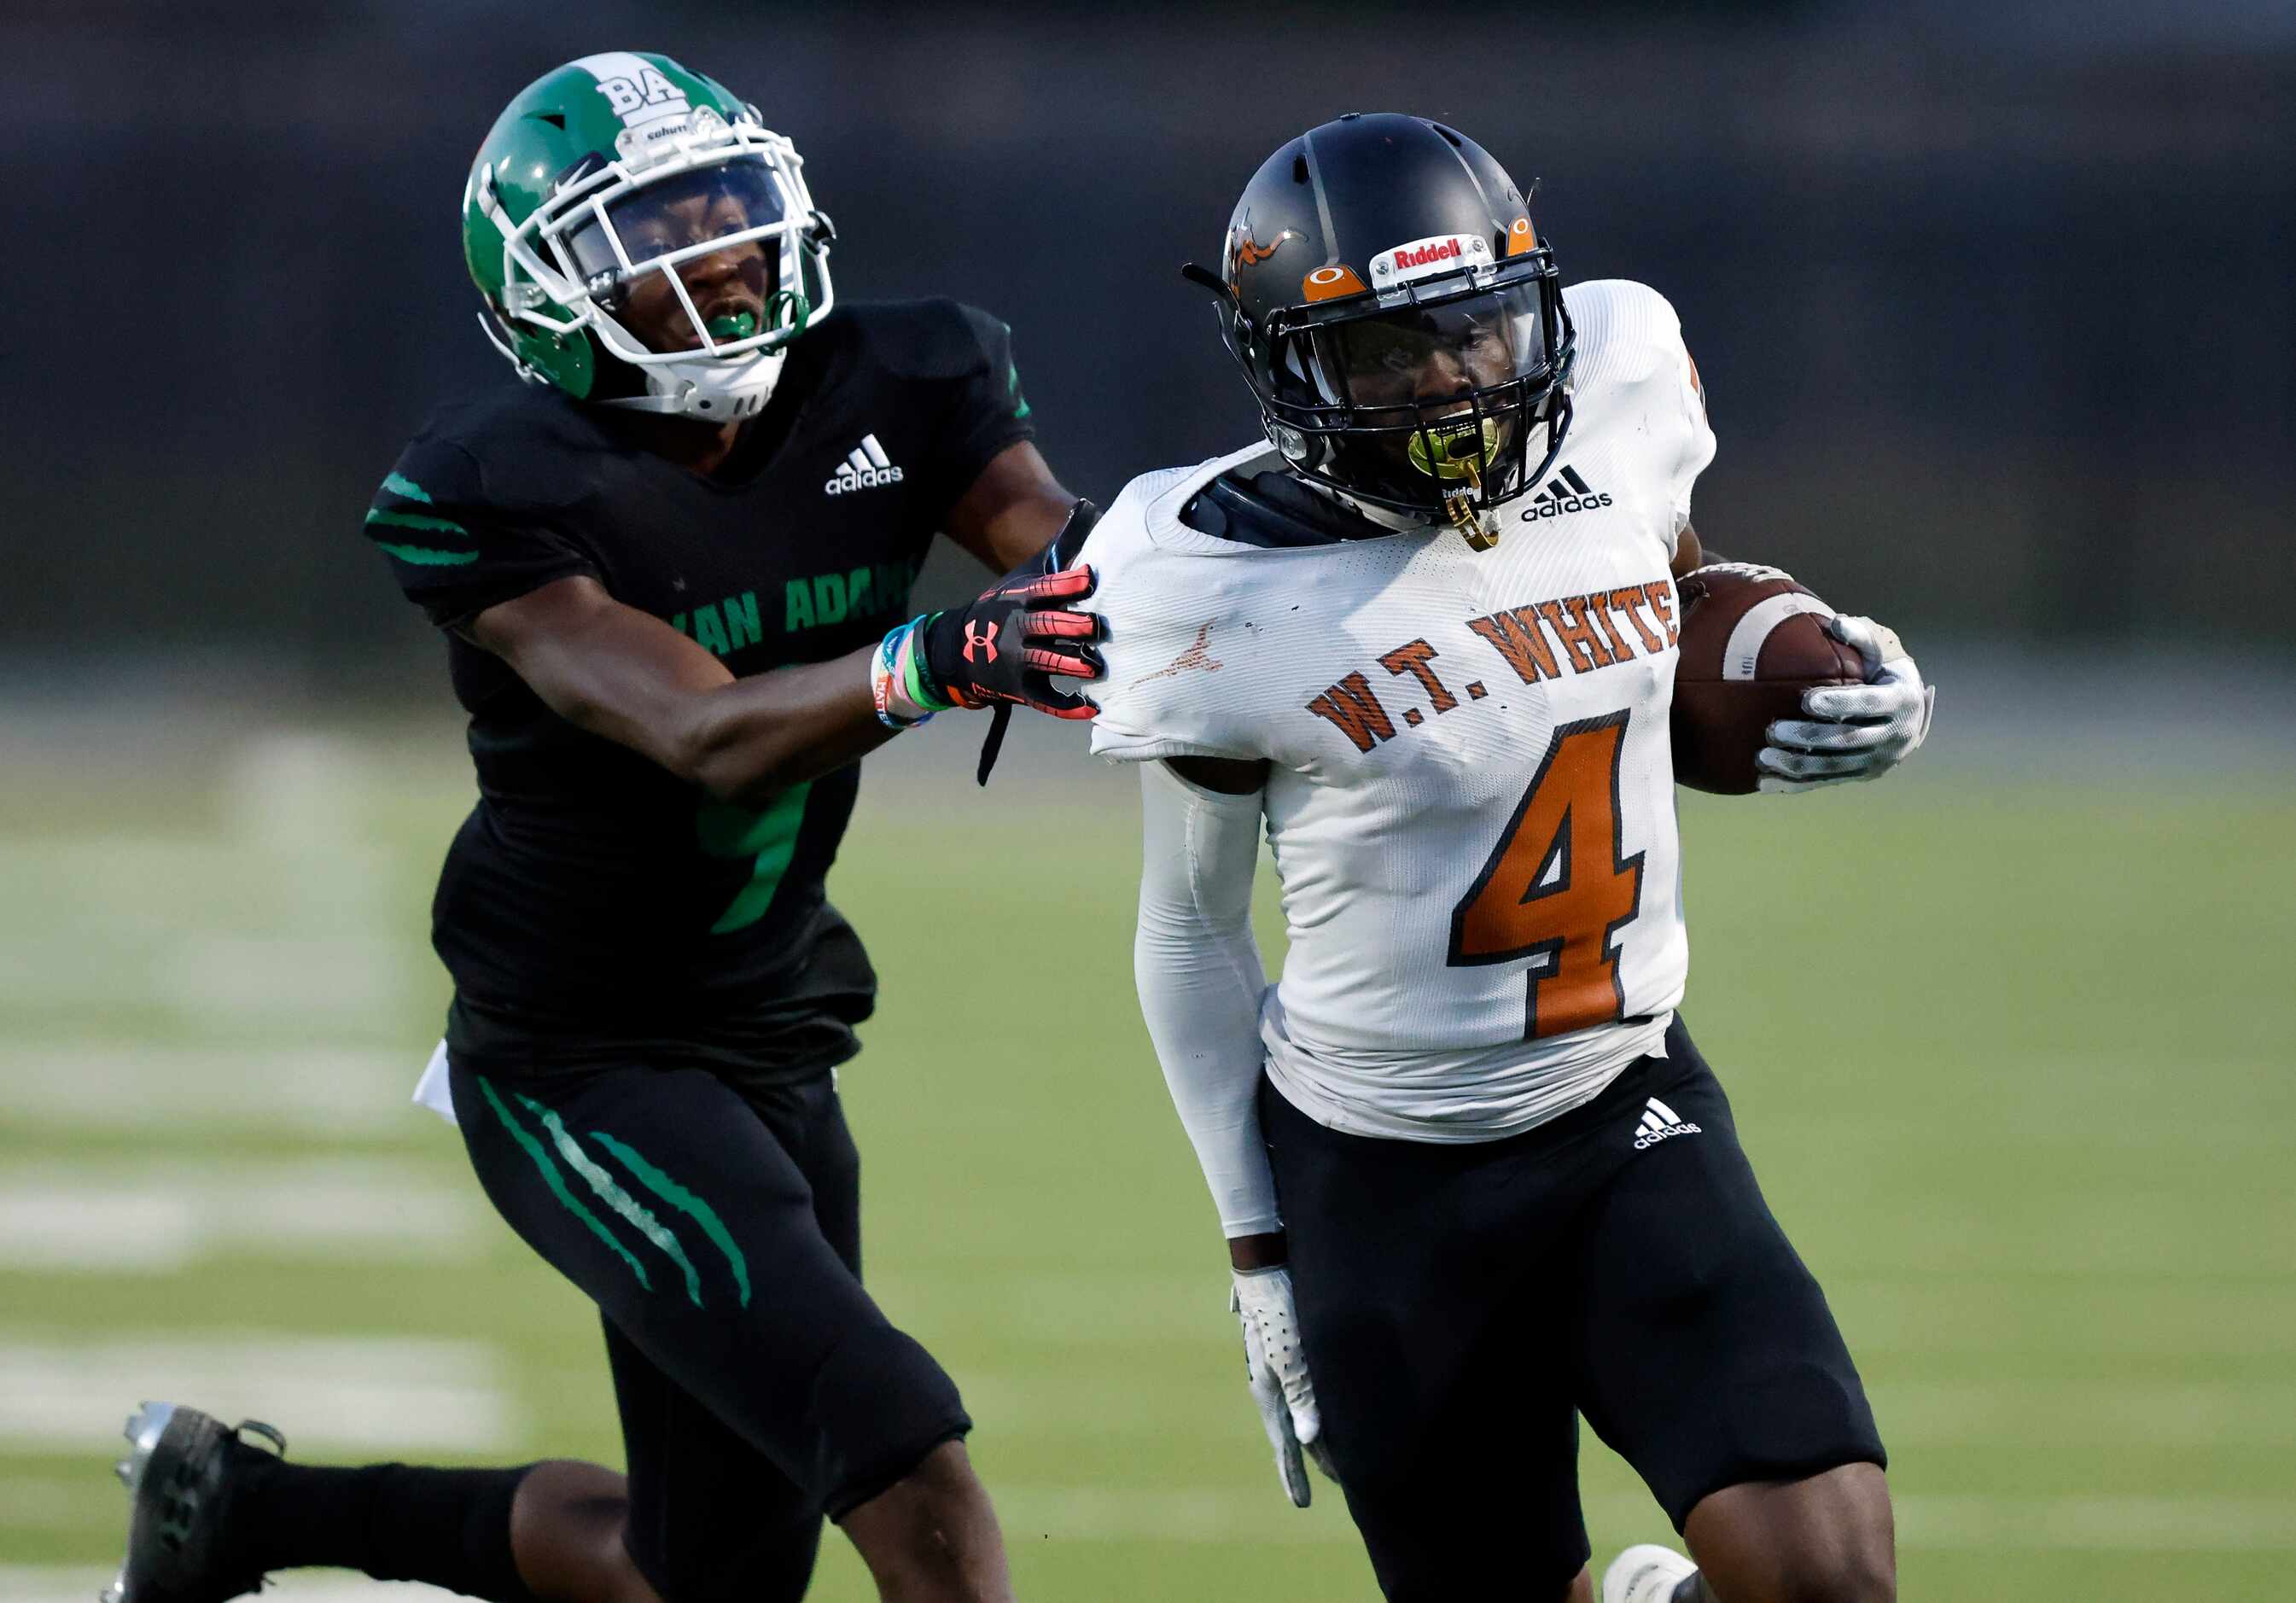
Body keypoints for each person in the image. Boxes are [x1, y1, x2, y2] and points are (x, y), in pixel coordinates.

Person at [105, 52, 1104, 1603]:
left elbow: (1076, 560)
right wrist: (934, 658)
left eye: (723, 212)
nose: (711, 258)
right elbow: (702, 733)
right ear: (543, 292)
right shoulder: (493, 482)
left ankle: (240, 1512)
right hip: (581, 1061)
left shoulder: (907, 376)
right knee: (908, 1462)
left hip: (772, 1025)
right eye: (649, 235)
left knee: (700, 1569)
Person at [1077, 114, 1934, 1603]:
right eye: (1389, 358)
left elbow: (1672, 587)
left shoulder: (1619, 384)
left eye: (1474, 334)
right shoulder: (1200, 581)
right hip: (1378, 1175)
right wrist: (1259, 1250)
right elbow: (1190, 930)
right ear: (1287, 369)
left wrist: (1847, 663)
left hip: (1625, 1106)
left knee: (1831, 1582)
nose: (1449, 389)